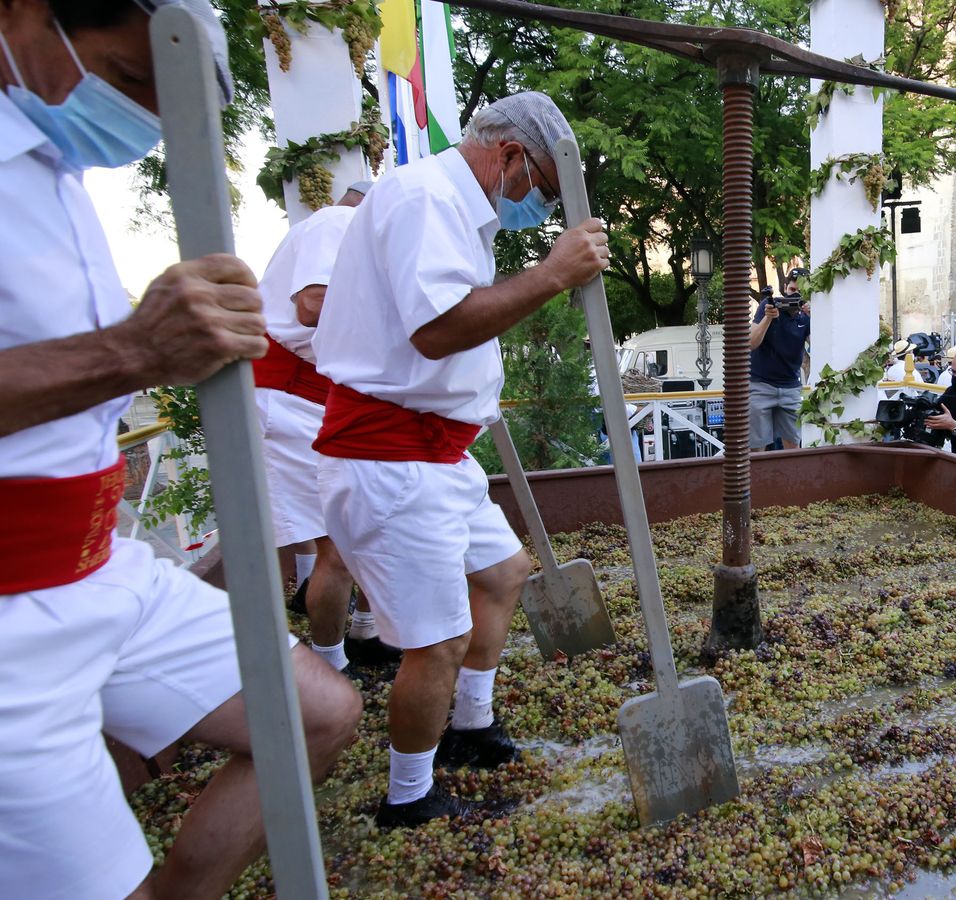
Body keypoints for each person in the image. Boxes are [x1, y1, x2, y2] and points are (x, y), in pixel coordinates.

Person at [0, 2, 361, 896]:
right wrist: (133, 349)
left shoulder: (55, 169)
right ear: (20, 11)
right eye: (126, 79)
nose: (143, 119)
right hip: (9, 604)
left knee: (317, 716)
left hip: (98, 565)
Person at [313, 92, 609, 826]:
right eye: (540, 186)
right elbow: (438, 331)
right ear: (508, 155)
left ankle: (469, 728)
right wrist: (550, 275)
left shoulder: (457, 210)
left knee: (505, 574)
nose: (537, 204)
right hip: (391, 456)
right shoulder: (423, 199)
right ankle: (408, 797)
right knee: (436, 638)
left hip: (439, 456)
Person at [252, 181, 398, 673]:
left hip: (316, 399)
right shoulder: (338, 223)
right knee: (337, 541)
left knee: (361, 528)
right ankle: (329, 664)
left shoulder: (340, 232)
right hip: (290, 399)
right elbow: (313, 305)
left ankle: (362, 632)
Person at [750, 268, 810, 451]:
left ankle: (794, 479)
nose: (795, 296)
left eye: (800, 292)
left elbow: (820, 348)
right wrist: (768, 319)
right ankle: (756, 480)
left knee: (793, 446)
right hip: (760, 384)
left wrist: (814, 317)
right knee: (756, 447)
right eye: (792, 290)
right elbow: (751, 343)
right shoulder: (769, 306)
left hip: (791, 386)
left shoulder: (808, 315)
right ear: (784, 288)